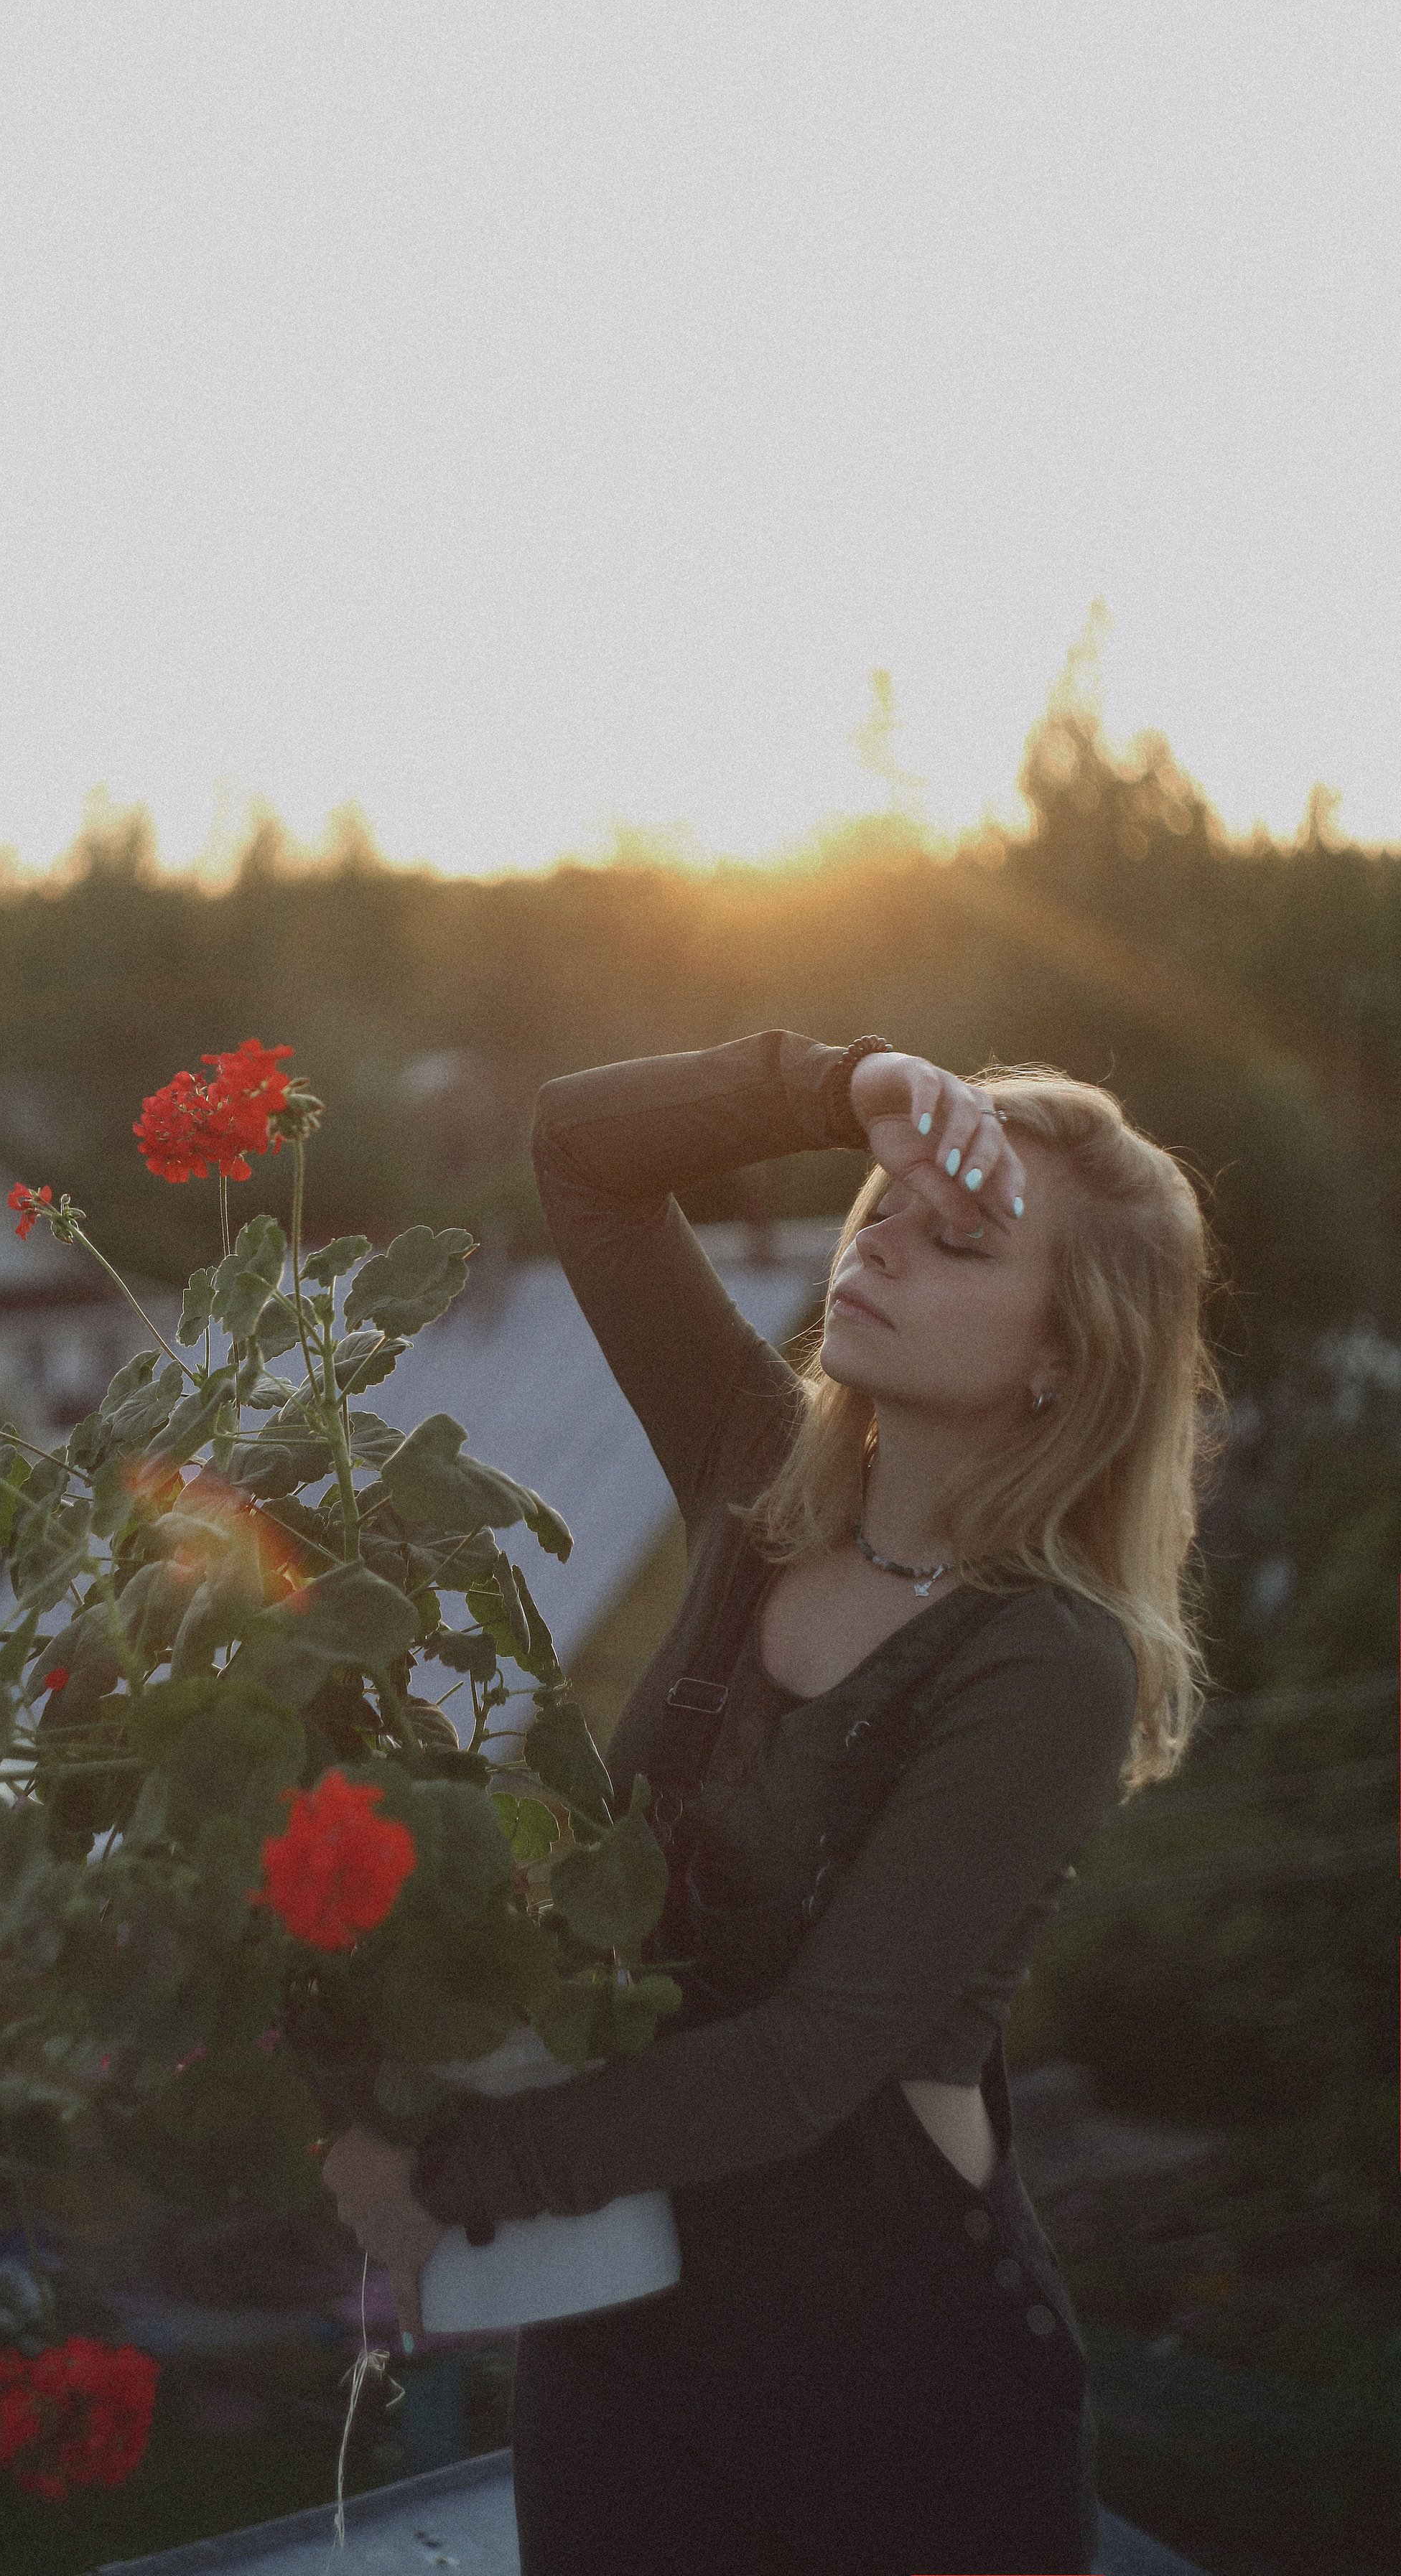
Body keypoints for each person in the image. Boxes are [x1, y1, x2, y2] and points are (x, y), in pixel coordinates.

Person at [324, 1028, 1223, 2575]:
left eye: (955, 1242)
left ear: (1060, 1352)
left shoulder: (1044, 1660)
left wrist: (446, 2184)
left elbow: (809, 2061)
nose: (875, 1241)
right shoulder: (756, 1475)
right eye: (878, 1204)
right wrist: (840, 1087)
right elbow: (580, 1156)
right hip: (613, 2338)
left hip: (895, 2400)